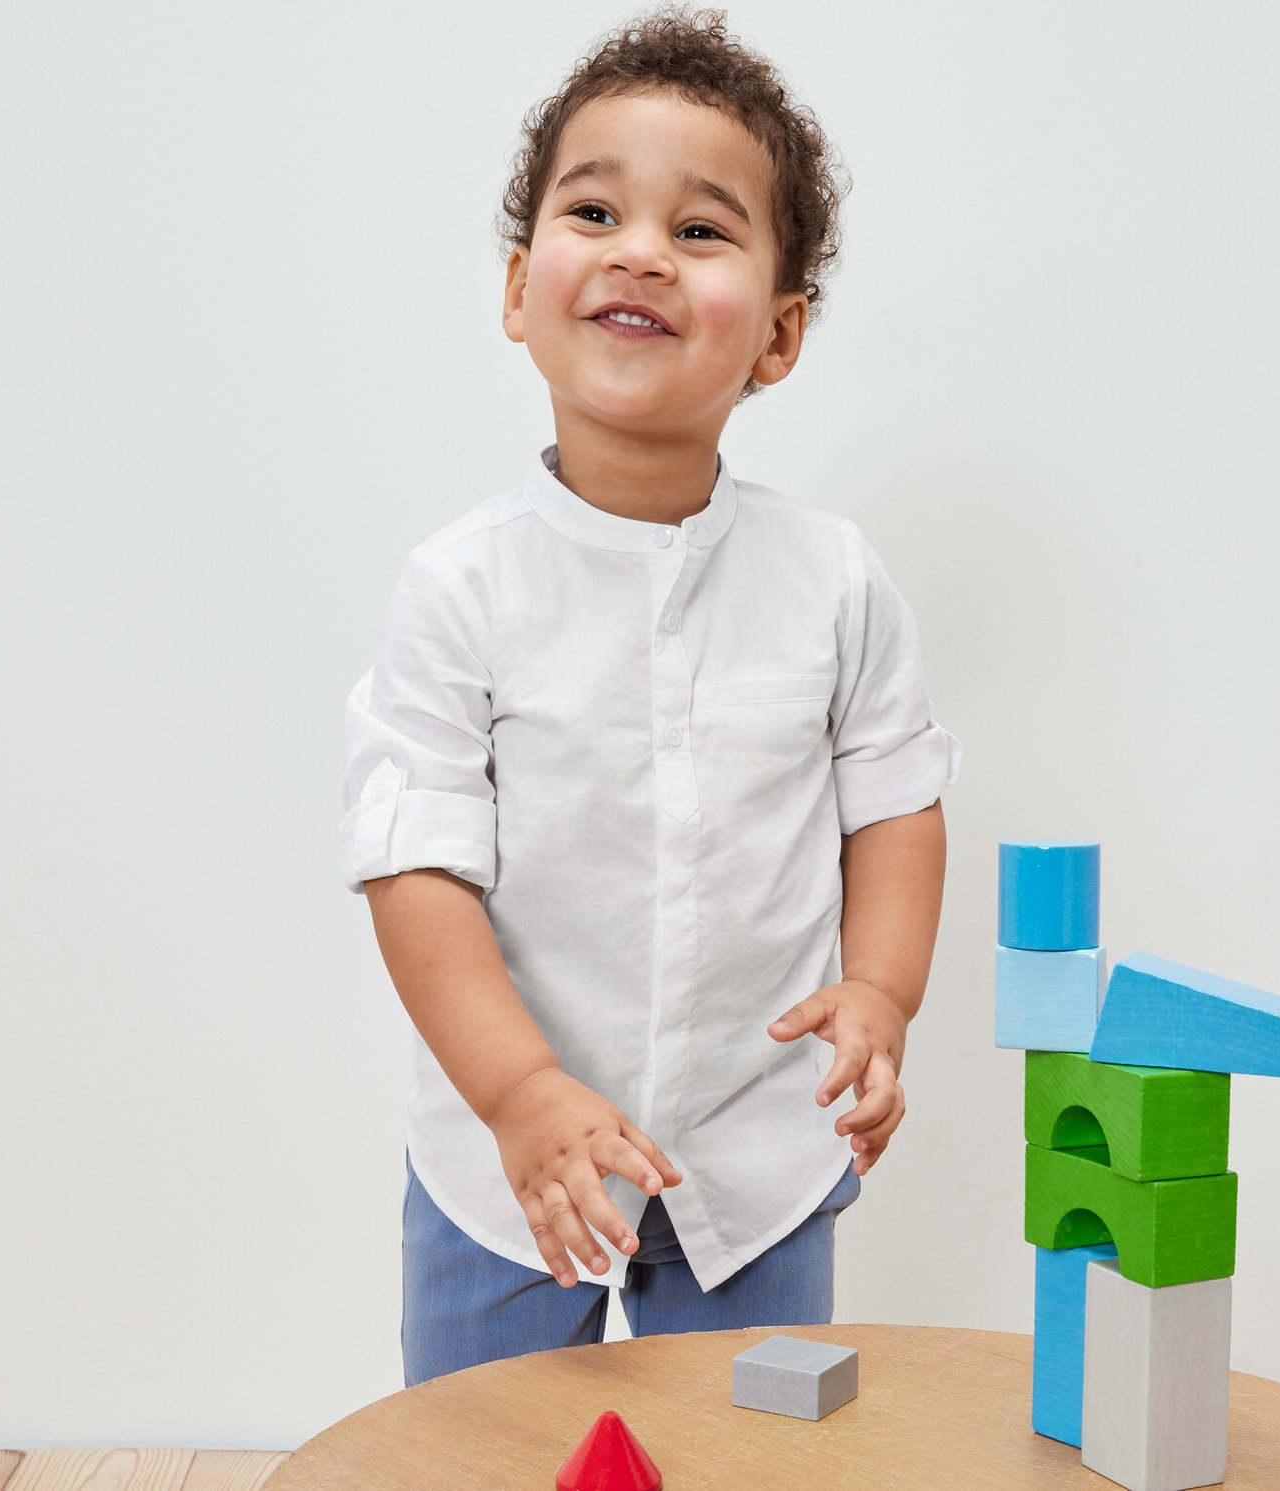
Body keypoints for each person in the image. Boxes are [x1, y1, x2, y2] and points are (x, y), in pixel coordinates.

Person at [341, 8, 961, 1386]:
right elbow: (416, 869)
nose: (640, 251)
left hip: (758, 1139)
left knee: (754, 1445)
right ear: (520, 290)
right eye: (595, 211)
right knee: (479, 1449)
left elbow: (894, 805)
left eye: (700, 229)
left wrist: (881, 990)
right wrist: (518, 1091)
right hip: (508, 1158)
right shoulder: (459, 586)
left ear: (779, 335)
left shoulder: (831, 578)